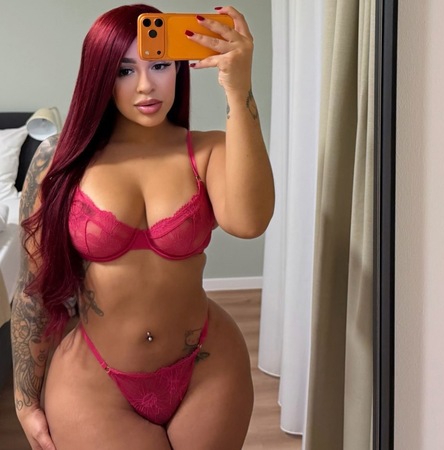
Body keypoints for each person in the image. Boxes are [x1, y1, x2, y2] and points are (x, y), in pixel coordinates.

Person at [11, 4, 274, 450]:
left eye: (160, 65)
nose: (146, 85)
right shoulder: (59, 162)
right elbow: (32, 289)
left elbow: (249, 223)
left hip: (207, 367)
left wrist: (238, 88)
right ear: (99, 77)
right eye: (124, 70)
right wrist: (24, 399)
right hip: (97, 381)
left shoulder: (209, 151)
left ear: (180, 70)